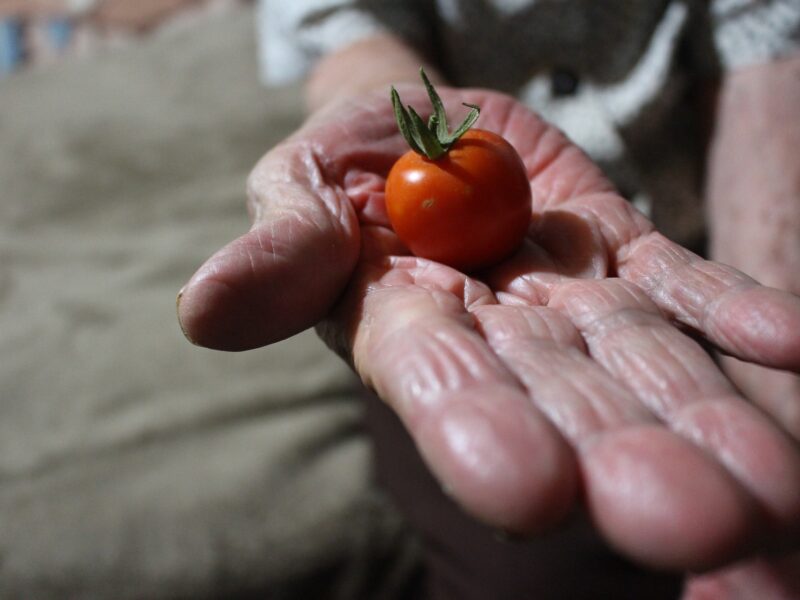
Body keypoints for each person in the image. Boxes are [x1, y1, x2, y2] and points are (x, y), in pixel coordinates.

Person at [178, 1, 800, 597]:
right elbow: (349, 31)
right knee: (530, 567)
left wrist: (776, 382)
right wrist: (372, 92)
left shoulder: (457, 169)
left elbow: (766, 46)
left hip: (687, 242)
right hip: (440, 304)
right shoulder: (427, 173)